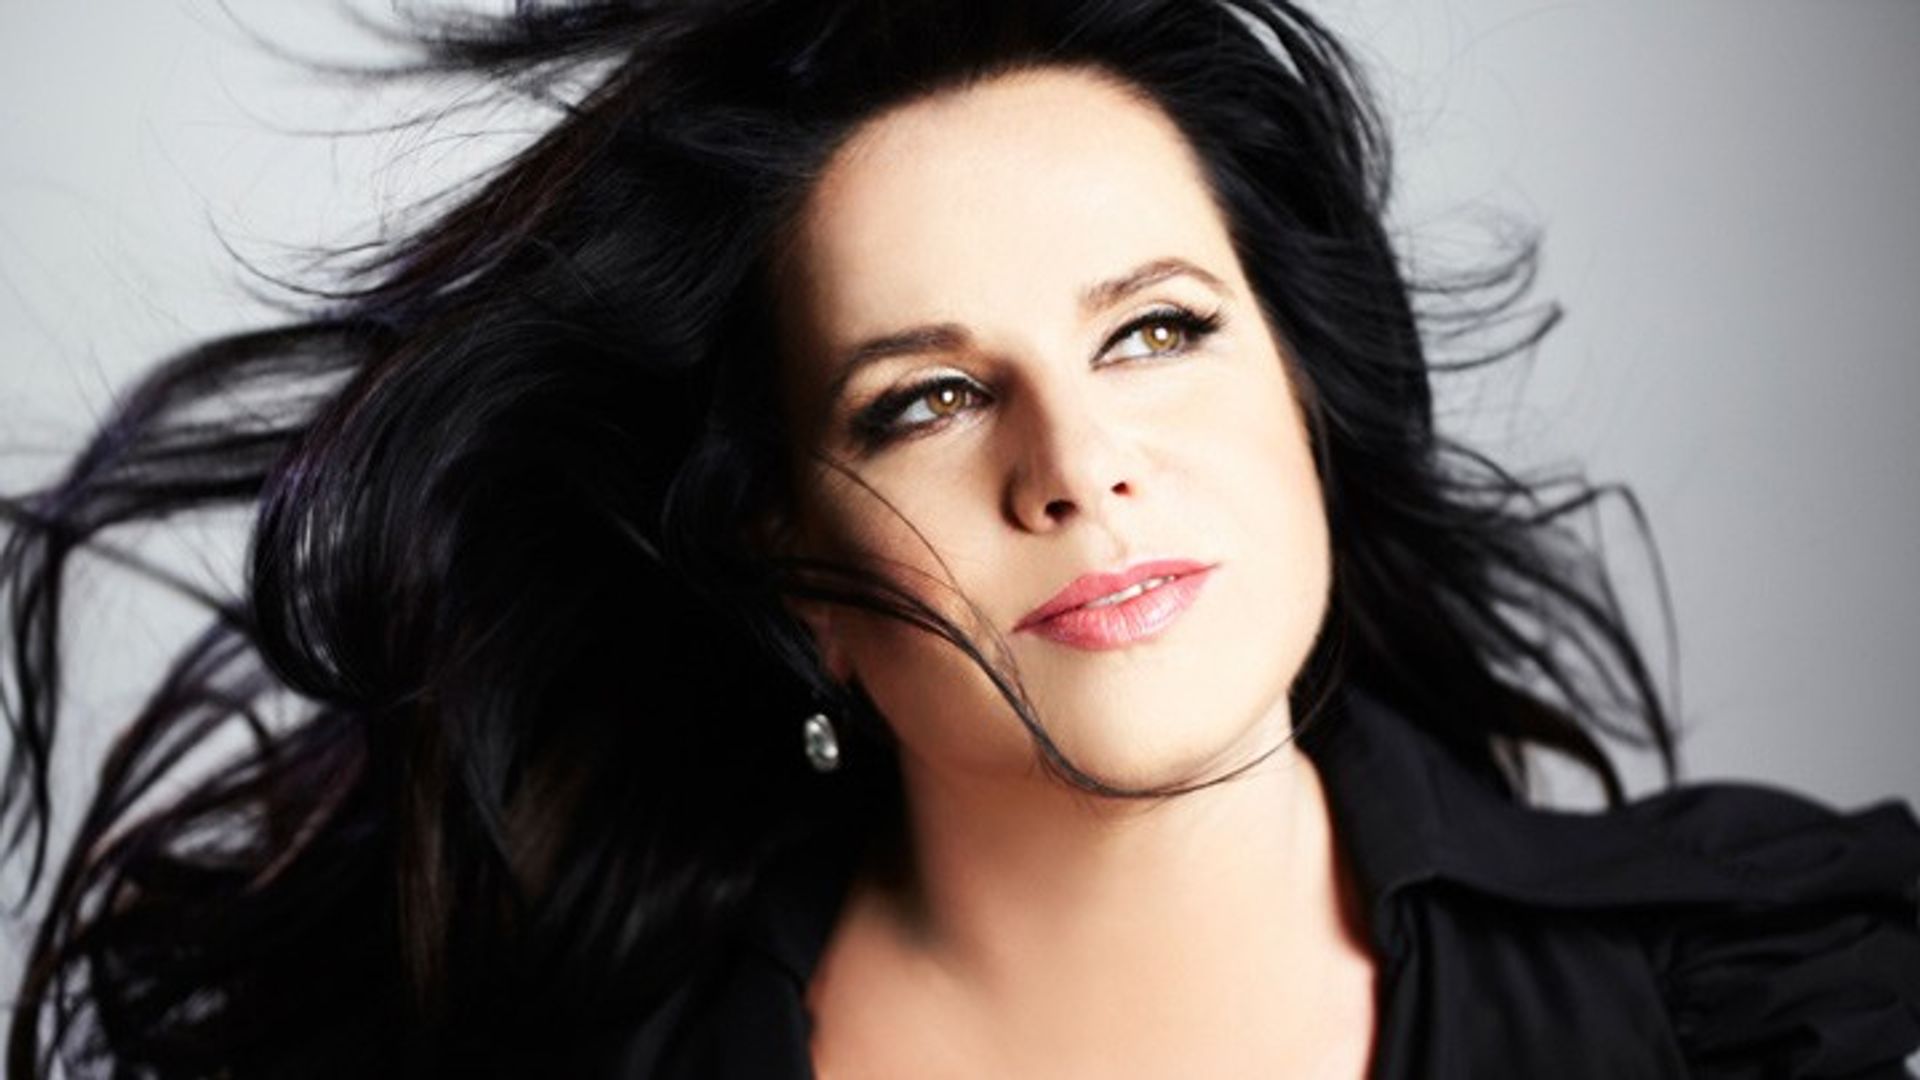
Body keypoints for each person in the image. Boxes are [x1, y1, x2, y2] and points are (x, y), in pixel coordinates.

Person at [2, 1, 1916, 1076]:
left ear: (1308, 396)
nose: (1076, 466)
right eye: (923, 398)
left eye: (1156, 331)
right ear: (781, 560)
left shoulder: (1754, 995)